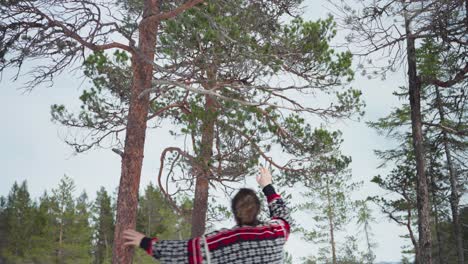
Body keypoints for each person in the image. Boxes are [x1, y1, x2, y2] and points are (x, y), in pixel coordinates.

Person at [123, 167, 291, 263]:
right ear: (258, 208)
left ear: (234, 212)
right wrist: (267, 185)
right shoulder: (276, 233)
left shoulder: (220, 241)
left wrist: (144, 242)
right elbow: (283, 216)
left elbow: (180, 253)